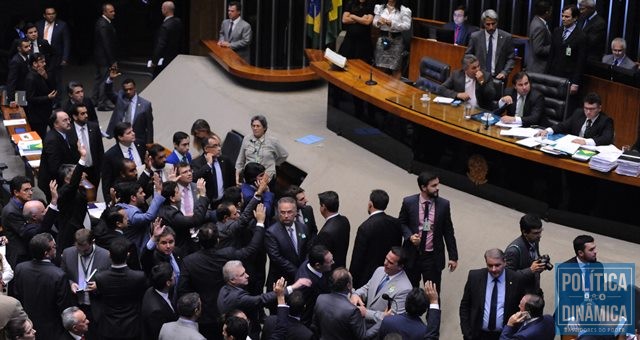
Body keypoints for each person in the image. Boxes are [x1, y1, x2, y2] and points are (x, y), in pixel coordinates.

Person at [178, 204, 266, 339]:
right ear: (218, 239)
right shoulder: (227, 254)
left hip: (203, 315)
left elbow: (182, 289)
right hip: (228, 310)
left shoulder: (189, 261)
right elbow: (251, 249)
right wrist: (260, 223)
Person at [217, 261, 309, 339]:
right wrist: (291, 288)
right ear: (232, 280)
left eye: (245, 272)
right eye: (242, 275)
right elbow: (262, 299)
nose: (247, 275)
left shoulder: (224, 289)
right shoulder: (237, 298)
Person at [398, 171, 459, 290]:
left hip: (432, 258)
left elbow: (448, 231)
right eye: (434, 186)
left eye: (437, 184)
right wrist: (410, 236)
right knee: (408, 291)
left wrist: (453, 257)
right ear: (423, 187)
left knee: (433, 293)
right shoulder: (408, 202)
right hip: (412, 255)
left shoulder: (443, 205)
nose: (438, 188)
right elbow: (401, 223)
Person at [14, 233, 75, 339]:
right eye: (54, 247)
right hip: (53, 329)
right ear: (46, 253)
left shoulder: (20, 268)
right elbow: (64, 307)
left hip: (28, 326)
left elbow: (17, 296)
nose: (56, 249)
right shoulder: (58, 275)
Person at [459, 249, 525, 340]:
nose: (494, 269)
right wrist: (466, 332)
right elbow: (465, 306)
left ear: (504, 262)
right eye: (490, 266)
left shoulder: (516, 279)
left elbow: (521, 308)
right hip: (477, 335)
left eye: (497, 265)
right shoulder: (474, 277)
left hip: (504, 335)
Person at [59, 229, 112, 339]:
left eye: (86, 250)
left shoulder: (106, 255)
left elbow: (111, 280)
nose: (82, 253)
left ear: (93, 242)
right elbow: (63, 276)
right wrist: (71, 284)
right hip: (76, 306)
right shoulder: (67, 253)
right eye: (79, 250)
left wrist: (99, 286)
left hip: (97, 307)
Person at [94, 237, 148, 340]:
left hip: (109, 327)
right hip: (132, 326)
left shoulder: (100, 278)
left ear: (109, 255)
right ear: (128, 255)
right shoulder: (139, 277)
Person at [350, 247, 413, 332]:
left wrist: (366, 313)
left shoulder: (405, 289)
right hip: (363, 327)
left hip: (379, 331)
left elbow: (393, 319)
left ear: (400, 267)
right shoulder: (380, 270)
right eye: (386, 259)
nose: (385, 263)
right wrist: (356, 294)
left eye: (390, 262)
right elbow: (367, 288)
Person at [350, 189, 403, 288]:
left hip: (366, 279)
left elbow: (357, 259)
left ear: (370, 204)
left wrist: (351, 282)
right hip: (388, 276)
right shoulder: (396, 223)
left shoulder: (365, 227)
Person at [312, 267, 378, 339]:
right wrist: (383, 322)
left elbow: (315, 326)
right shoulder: (352, 310)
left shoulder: (320, 298)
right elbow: (363, 337)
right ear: (349, 286)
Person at [265, 197, 312, 290]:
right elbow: (276, 258)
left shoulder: (303, 228)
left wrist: (304, 269)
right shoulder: (271, 232)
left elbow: (308, 250)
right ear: (278, 213)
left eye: (289, 212)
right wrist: (297, 272)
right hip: (281, 280)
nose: (286, 215)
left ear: (295, 212)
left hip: (302, 277)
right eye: (282, 212)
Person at [536, 92, 614, 146]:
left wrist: (586, 142)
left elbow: (606, 138)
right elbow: (563, 125)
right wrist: (547, 131)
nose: (588, 112)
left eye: (592, 109)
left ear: (599, 108)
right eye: (586, 108)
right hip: (573, 147)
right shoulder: (578, 113)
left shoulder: (606, 121)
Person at [235, 115, 288, 186]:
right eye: (253, 126)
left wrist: (273, 164)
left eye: (258, 126)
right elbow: (240, 158)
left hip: (266, 177)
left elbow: (284, 155)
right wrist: (238, 173)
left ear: (264, 128)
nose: (255, 128)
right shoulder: (247, 139)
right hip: (249, 176)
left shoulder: (273, 141)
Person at [105, 69, 154, 145]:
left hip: (138, 140)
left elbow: (149, 127)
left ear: (135, 88)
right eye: (126, 90)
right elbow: (109, 92)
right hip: (122, 138)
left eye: (130, 89)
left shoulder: (146, 105)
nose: (128, 92)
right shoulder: (120, 99)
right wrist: (110, 79)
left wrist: (150, 144)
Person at [37, 110, 79, 201]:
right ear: (56, 124)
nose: (68, 122)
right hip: (54, 183)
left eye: (69, 119)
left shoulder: (66, 133)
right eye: (64, 120)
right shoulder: (52, 140)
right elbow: (55, 167)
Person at [101, 122, 146, 202]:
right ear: (120, 137)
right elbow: (106, 183)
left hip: (144, 190)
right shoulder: (110, 156)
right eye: (129, 133)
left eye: (132, 131)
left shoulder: (141, 144)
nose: (133, 133)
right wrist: (110, 203)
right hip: (124, 196)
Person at [548, 4, 586, 96]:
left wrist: (575, 82)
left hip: (568, 77)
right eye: (562, 16)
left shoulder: (581, 36)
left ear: (575, 18)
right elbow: (551, 55)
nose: (563, 19)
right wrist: (546, 75)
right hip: (553, 74)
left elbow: (580, 62)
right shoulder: (557, 31)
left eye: (567, 16)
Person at [504, 214, 547, 295]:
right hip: (520, 297)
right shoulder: (513, 251)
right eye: (536, 233)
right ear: (524, 232)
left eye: (541, 231)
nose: (540, 235)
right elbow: (508, 277)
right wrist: (530, 270)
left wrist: (540, 263)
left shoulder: (535, 241)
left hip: (534, 290)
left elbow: (532, 258)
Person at [466, 9, 515, 80]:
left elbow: (511, 58)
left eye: (493, 23)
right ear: (483, 23)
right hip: (479, 77)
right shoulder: (475, 37)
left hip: (498, 78)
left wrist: (504, 72)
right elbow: (468, 56)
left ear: (497, 22)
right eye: (488, 24)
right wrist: (474, 70)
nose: (491, 27)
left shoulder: (506, 37)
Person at [36, 6, 70, 101]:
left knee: (56, 79)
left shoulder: (62, 25)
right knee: (42, 77)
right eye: (49, 14)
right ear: (44, 15)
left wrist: (65, 58)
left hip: (56, 56)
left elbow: (66, 42)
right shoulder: (39, 25)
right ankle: (45, 98)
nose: (51, 16)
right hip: (42, 56)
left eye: (53, 14)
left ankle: (57, 100)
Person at [294, 245, 333, 325]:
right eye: (330, 262)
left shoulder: (310, 262)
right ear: (318, 265)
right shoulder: (306, 285)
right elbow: (306, 312)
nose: (333, 262)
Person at [192, 134, 235, 204]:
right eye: (215, 146)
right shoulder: (197, 163)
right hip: (207, 205)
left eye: (219, 145)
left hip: (224, 202)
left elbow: (232, 181)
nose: (219, 149)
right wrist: (208, 165)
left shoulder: (225, 160)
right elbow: (194, 178)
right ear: (206, 149)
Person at [372, 0, 411, 78]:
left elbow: (407, 26)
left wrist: (392, 24)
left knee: (396, 68)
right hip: (382, 39)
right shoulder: (380, 8)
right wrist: (379, 22)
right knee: (380, 65)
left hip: (396, 40)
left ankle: (395, 89)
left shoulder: (404, 10)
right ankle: (380, 89)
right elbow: (374, 22)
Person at [1, 176, 34, 267]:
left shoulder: (25, 204)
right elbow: (25, 232)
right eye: (26, 190)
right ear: (16, 192)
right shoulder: (11, 211)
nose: (30, 193)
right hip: (20, 256)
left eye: (31, 189)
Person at [70, 103, 105, 187]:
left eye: (86, 113)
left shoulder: (94, 127)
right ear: (75, 117)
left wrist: (101, 169)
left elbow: (100, 149)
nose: (86, 115)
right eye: (82, 114)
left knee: (93, 194)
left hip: (94, 170)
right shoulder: (69, 131)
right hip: (78, 171)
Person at [141, 263, 178, 340]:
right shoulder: (156, 312)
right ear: (168, 283)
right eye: (172, 274)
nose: (175, 275)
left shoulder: (152, 289)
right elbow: (159, 335)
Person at [314, 190, 350, 268]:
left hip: (330, 272)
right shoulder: (344, 220)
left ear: (323, 207)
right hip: (341, 266)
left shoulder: (325, 233)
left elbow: (322, 258)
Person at [24, 53, 57, 138]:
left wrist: (46, 77)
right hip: (37, 116)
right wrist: (47, 97)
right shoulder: (30, 78)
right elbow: (30, 98)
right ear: (35, 64)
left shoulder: (42, 73)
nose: (44, 64)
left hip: (46, 112)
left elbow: (52, 87)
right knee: (40, 138)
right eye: (42, 62)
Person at [93, 3, 118, 111]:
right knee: (105, 80)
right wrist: (112, 61)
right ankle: (102, 103)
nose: (114, 13)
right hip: (104, 58)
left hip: (100, 57)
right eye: (111, 11)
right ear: (104, 12)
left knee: (99, 79)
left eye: (113, 11)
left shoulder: (104, 22)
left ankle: (95, 99)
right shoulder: (103, 24)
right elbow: (106, 43)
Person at [150, 1, 183, 78]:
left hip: (164, 61)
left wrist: (154, 61)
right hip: (175, 57)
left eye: (162, 8)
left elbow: (160, 45)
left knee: (158, 80)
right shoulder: (178, 22)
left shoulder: (165, 26)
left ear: (165, 10)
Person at [526, 1, 552, 74]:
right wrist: (553, 46)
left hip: (534, 65)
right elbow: (538, 49)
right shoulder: (540, 26)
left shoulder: (535, 20)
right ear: (547, 12)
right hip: (538, 68)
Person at [6, 39, 32, 103]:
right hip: (20, 92)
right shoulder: (16, 61)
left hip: (28, 91)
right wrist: (11, 99)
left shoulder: (28, 57)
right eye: (26, 47)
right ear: (19, 49)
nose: (29, 48)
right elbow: (12, 81)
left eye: (29, 46)